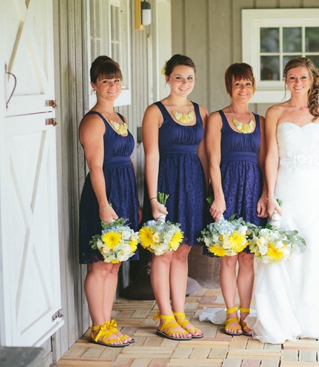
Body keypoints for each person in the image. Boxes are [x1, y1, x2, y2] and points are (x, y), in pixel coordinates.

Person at [249, 57, 319, 344]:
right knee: (283, 247)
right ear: (285, 81)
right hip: (285, 187)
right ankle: (281, 317)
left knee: (314, 247)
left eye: (302, 78)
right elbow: (271, 156)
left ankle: (313, 316)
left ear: (312, 80)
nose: (297, 83)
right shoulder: (274, 112)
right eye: (292, 78)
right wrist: (269, 193)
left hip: (313, 187)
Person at [143, 54, 207, 341]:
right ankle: (164, 316)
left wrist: (207, 191)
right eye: (179, 77)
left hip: (192, 183)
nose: (184, 83)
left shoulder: (201, 111)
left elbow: (205, 154)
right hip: (166, 184)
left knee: (183, 250)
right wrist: (154, 197)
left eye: (190, 78)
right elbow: (151, 155)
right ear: (167, 77)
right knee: (163, 251)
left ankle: (180, 313)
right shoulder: (155, 111)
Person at [78, 56, 138, 348]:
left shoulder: (120, 119)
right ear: (94, 85)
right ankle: (98, 326)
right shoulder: (93, 120)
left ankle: (108, 321)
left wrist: (134, 199)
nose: (112, 86)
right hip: (105, 194)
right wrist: (104, 204)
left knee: (114, 263)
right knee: (100, 264)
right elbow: (96, 166)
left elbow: (127, 159)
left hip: (124, 191)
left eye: (116, 80)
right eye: (105, 81)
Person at [204, 63, 266, 336]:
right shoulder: (217, 119)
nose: (243, 89)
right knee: (228, 256)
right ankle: (230, 314)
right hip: (227, 188)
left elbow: (265, 162)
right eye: (238, 84)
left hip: (253, 190)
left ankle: (245, 312)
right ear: (229, 87)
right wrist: (218, 196)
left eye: (248, 84)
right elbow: (212, 161)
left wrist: (265, 194)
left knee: (248, 258)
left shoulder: (261, 121)